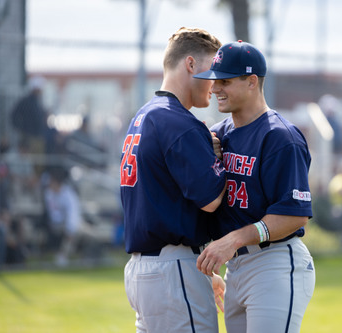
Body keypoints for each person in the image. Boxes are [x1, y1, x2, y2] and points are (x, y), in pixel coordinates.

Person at [194, 40, 315, 333]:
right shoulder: (217, 135)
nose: (214, 89)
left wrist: (233, 239)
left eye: (225, 81)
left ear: (251, 82)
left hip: (273, 261)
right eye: (214, 81)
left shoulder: (280, 137)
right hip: (235, 267)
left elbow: (293, 215)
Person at [120, 27, 227, 333]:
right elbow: (210, 200)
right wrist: (218, 158)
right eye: (212, 71)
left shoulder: (145, 115)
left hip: (146, 270)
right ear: (190, 64)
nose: (215, 83)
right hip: (172, 270)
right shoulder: (179, 121)